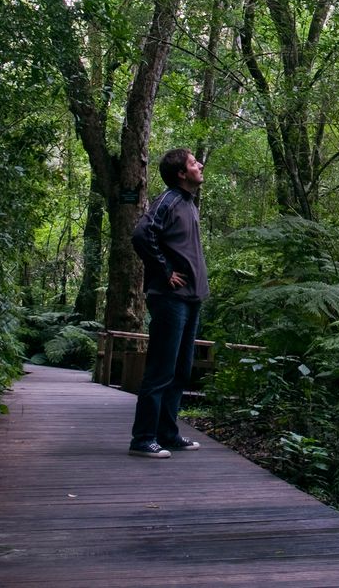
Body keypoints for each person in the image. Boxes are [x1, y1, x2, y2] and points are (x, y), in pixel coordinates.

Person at [127, 147, 209, 458]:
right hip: (170, 299)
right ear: (181, 173)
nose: (199, 166)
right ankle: (143, 438)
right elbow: (141, 234)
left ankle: (167, 433)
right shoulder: (169, 200)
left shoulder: (189, 203)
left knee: (180, 370)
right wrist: (165, 271)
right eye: (193, 163)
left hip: (191, 299)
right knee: (161, 369)